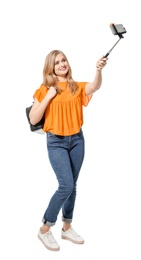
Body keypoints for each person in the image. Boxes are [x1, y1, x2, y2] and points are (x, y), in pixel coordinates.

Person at [29, 50, 108, 251]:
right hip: (56, 142)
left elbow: (94, 87)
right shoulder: (44, 89)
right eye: (57, 62)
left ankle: (66, 227)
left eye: (63, 60)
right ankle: (45, 228)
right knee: (66, 185)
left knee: (73, 186)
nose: (62, 64)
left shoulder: (75, 86)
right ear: (51, 68)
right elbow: (34, 119)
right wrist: (49, 95)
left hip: (77, 140)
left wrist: (98, 71)